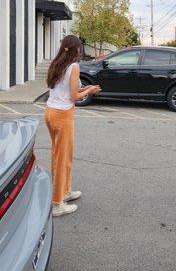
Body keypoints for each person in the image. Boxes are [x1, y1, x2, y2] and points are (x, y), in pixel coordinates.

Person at [45, 35, 101, 217]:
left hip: (51, 112)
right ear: (77, 49)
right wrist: (90, 90)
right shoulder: (74, 66)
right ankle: (57, 203)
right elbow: (74, 97)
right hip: (62, 115)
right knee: (63, 157)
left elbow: (66, 92)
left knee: (59, 154)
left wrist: (84, 89)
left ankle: (64, 191)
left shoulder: (57, 64)